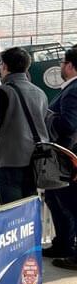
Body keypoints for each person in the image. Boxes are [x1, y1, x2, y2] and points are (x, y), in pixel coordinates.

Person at [0, 47, 49, 205]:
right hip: (35, 161)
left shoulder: (3, 92)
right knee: (28, 213)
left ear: (5, 67)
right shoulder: (39, 93)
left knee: (12, 214)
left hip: (8, 162)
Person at [46, 47, 77, 266]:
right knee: (56, 200)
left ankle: (70, 250)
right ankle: (63, 243)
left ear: (70, 65)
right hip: (65, 158)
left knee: (70, 204)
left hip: (67, 158)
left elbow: (69, 124)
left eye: (62, 62)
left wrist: (47, 116)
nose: (60, 66)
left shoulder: (73, 90)